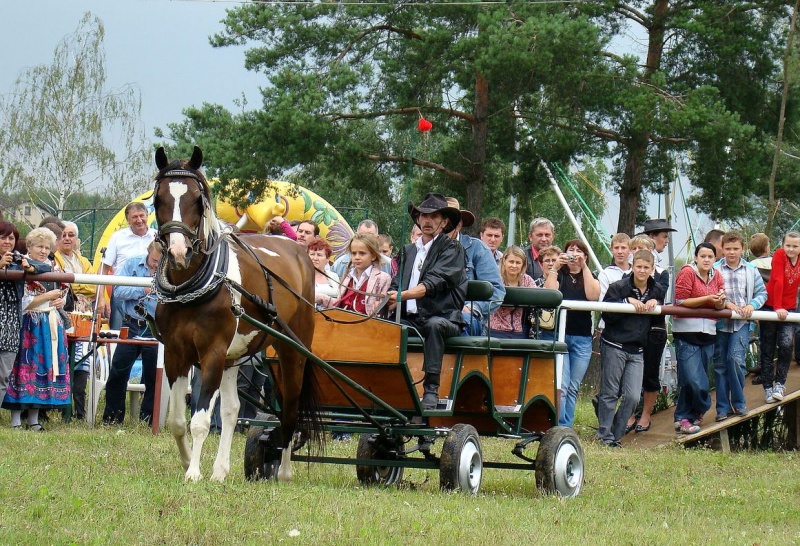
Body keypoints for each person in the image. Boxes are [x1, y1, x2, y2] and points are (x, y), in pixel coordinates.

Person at [387, 193, 468, 410]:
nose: (427, 220)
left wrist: (402, 296)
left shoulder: (453, 249)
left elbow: (433, 283)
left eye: (434, 216)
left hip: (444, 318)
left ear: (443, 222)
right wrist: (390, 297)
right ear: (418, 219)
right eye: (424, 215)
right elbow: (396, 283)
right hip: (411, 319)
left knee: (433, 325)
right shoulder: (408, 250)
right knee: (386, 328)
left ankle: (431, 389)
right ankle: (391, 388)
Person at [2, 228, 71, 430]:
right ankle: (15, 420)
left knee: (43, 370)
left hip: (50, 323)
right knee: (22, 369)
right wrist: (48, 297)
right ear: (29, 247)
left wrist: (60, 301)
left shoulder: (54, 267)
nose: (43, 251)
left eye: (47, 247)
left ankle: (34, 419)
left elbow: (62, 293)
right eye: (39, 246)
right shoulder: (20, 267)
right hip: (29, 324)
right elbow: (22, 302)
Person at [596, 250, 665, 447]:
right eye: (639, 266)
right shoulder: (618, 287)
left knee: (633, 396)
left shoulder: (657, 290)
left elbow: (658, 319)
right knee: (610, 392)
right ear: (632, 266)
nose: (642, 271)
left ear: (652, 269)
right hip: (614, 344)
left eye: (646, 267)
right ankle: (605, 435)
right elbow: (606, 315)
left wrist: (656, 303)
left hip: (638, 348)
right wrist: (625, 302)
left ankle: (616, 434)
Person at [102, 241, 162, 425]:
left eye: (160, 262)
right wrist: (141, 289)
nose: (155, 265)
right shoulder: (131, 263)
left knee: (154, 376)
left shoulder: (170, 269)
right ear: (148, 252)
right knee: (118, 372)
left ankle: (148, 419)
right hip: (131, 324)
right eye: (153, 260)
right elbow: (118, 290)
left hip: (156, 327)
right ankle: (112, 417)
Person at [543, 239, 600, 428]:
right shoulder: (559, 274)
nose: (574, 254)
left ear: (585, 256)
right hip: (560, 335)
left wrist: (583, 268)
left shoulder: (589, 275)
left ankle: (567, 424)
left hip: (582, 337)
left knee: (574, 386)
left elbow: (593, 296)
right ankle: (559, 425)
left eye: (578, 251)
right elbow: (549, 294)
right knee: (563, 385)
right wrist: (555, 268)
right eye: (570, 250)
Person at [713, 231, 766, 421]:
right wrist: (727, 304)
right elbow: (712, 291)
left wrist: (752, 305)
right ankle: (722, 407)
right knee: (720, 365)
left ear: (742, 249)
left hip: (742, 323)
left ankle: (738, 402)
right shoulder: (715, 268)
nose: (732, 252)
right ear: (723, 249)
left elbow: (762, 293)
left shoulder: (751, 270)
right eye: (728, 249)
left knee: (735, 360)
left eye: (735, 249)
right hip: (720, 323)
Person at [672, 243, 725, 434]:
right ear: (695, 257)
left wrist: (719, 301)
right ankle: (701, 406)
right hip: (687, 333)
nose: (706, 259)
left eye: (710, 256)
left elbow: (719, 304)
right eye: (702, 256)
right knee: (696, 381)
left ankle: (684, 418)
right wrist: (708, 299)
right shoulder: (687, 272)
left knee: (691, 380)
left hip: (708, 333)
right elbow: (681, 300)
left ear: (714, 259)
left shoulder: (717, 275)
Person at [0, 221, 49, 413]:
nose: (7, 242)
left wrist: (30, 269)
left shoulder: (17, 259)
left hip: (11, 325)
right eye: (3, 237)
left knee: (3, 375)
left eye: (11, 238)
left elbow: (47, 267)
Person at [624, 235, 669, 432]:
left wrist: (652, 301)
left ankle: (646, 415)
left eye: (643, 248)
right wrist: (630, 300)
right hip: (632, 330)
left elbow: (659, 294)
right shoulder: (626, 276)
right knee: (629, 374)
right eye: (635, 248)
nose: (639, 251)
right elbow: (620, 293)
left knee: (650, 373)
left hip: (654, 330)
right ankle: (629, 414)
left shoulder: (662, 274)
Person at [54, 221, 97, 420]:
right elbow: (68, 287)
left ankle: (80, 411)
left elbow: (93, 287)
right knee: (64, 359)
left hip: (85, 317)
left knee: (82, 361)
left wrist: (77, 284)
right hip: (64, 314)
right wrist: (80, 285)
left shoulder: (84, 261)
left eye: (71, 234)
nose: (67, 238)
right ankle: (61, 408)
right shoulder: (54, 259)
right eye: (63, 234)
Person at [445, 197, 505, 336]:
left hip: (464, 316)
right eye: (439, 219)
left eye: (448, 220)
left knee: (459, 321)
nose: (443, 224)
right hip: (430, 314)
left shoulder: (477, 248)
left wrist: (472, 308)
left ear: (459, 224)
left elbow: (496, 290)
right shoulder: (424, 248)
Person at [98, 202, 157, 329]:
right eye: (135, 217)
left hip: (153, 296)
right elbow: (104, 268)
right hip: (123, 295)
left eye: (142, 215)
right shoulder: (118, 237)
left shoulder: (157, 236)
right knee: (119, 336)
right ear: (127, 219)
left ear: (147, 215)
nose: (139, 220)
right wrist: (100, 297)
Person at [759, 231, 800, 404]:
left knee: (786, 344)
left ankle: (779, 384)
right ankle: (768, 386)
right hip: (772, 304)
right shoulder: (779, 255)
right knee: (768, 346)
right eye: (788, 245)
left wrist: (786, 308)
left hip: (789, 306)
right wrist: (777, 307)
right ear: (783, 245)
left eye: (795, 246)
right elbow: (777, 280)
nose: (791, 249)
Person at [316, 232, 391, 316]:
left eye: (362, 253)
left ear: (373, 256)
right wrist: (322, 298)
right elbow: (339, 305)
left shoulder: (383, 278)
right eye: (354, 253)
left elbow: (384, 310)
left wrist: (379, 307)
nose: (357, 257)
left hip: (369, 326)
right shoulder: (347, 277)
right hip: (343, 324)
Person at [488, 246, 535, 339]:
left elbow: (538, 296)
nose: (514, 265)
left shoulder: (527, 280)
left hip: (517, 331)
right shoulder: (495, 278)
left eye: (518, 263)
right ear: (504, 261)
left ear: (523, 264)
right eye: (511, 262)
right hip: (494, 329)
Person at [524, 218, 555, 282]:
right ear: (530, 237)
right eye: (539, 235)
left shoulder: (560, 258)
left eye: (547, 235)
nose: (544, 239)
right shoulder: (522, 258)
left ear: (553, 236)